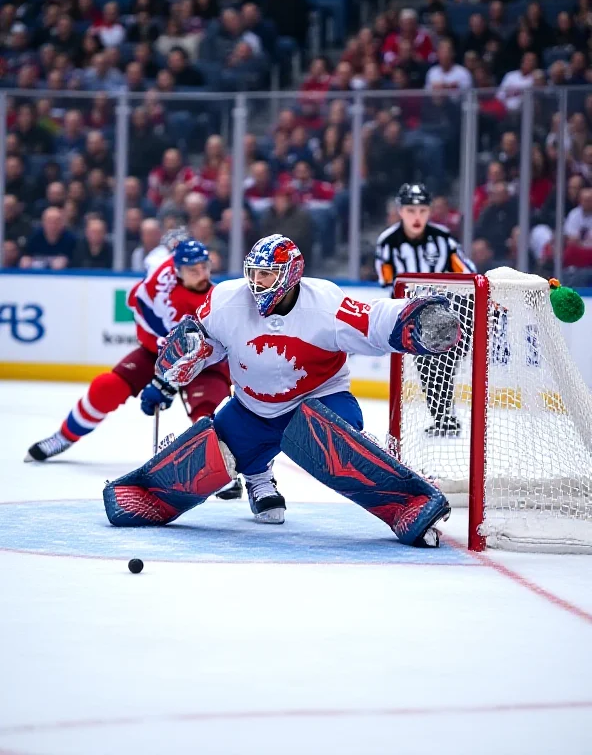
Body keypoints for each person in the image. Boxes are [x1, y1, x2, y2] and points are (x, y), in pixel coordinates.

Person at [103, 235, 462, 549]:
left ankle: (410, 506)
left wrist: (410, 319)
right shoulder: (226, 299)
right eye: (253, 273)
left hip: (320, 399)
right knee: (214, 453)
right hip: (251, 408)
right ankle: (253, 477)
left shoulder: (324, 303)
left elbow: (373, 322)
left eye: (267, 274)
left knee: (333, 439)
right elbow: (202, 345)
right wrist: (174, 367)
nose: (257, 283)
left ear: (290, 274)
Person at [25, 239, 241, 496]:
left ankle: (223, 472)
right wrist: (164, 368)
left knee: (208, 413)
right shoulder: (159, 287)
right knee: (107, 387)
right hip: (156, 353)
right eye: (193, 270)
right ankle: (63, 436)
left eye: (205, 267)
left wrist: (167, 383)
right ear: (178, 271)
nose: (202, 275)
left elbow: (215, 347)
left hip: (205, 363)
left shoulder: (218, 299)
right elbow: (140, 311)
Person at [375, 183, 475, 437]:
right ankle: (443, 417)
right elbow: (389, 284)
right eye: (410, 210)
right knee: (427, 366)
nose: (416, 216)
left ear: (430, 211)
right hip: (413, 316)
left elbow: (467, 273)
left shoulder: (443, 240)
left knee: (442, 364)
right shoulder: (388, 242)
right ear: (400, 211)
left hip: (451, 311)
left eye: (421, 210)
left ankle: (444, 417)